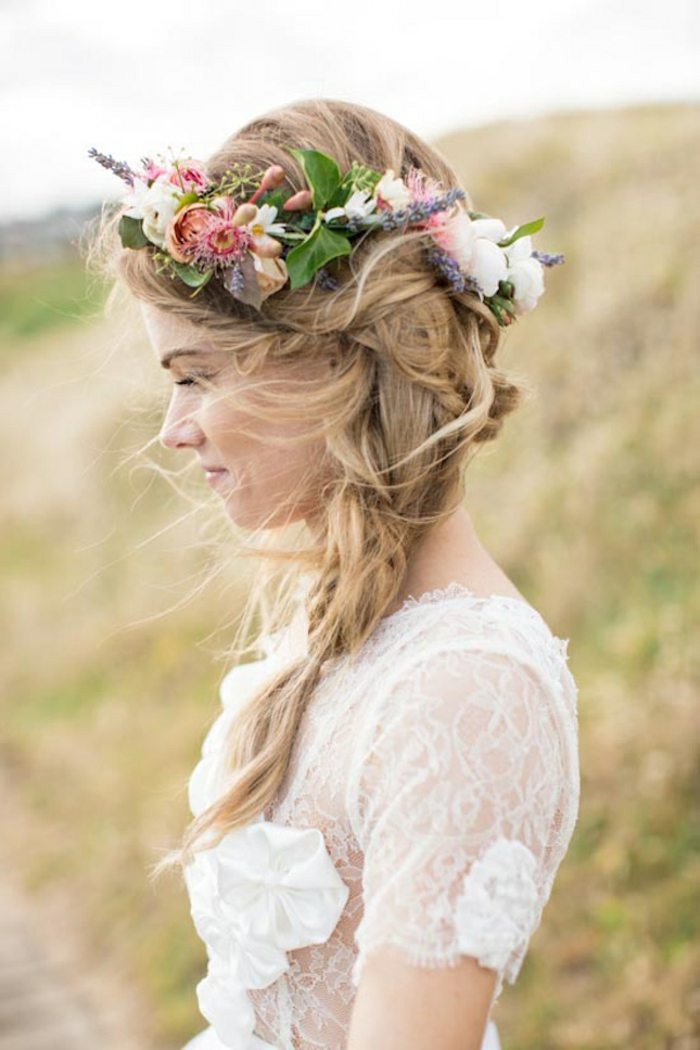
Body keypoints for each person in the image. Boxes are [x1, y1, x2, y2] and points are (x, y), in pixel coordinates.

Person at [86, 97, 580, 1050]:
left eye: (197, 374)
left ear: (330, 365)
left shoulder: (466, 690)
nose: (173, 428)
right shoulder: (345, 631)